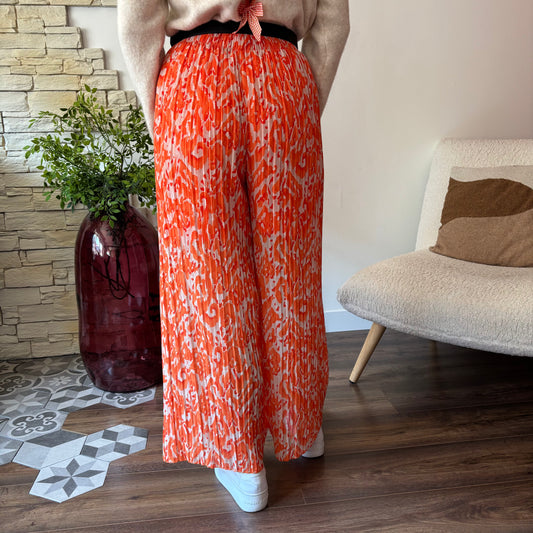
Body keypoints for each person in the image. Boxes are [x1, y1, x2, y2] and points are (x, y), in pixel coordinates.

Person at [117, 0, 349, 513]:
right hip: (283, 79)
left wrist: (161, 111)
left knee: (210, 276)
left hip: (194, 83)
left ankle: (240, 456)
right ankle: (301, 426)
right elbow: (333, 19)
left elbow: (138, 16)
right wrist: (302, 97)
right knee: (290, 268)